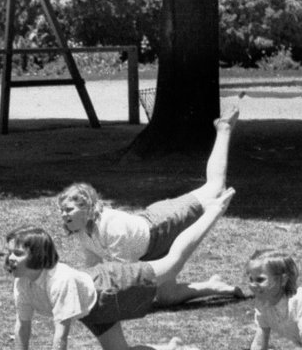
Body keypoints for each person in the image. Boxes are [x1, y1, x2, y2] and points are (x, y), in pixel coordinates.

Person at [2, 189, 234, 350]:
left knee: (172, 264)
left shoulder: (60, 282)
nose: (10, 258)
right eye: (10, 252)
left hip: (109, 286)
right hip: (89, 310)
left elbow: (61, 335)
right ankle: (173, 349)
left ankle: (213, 211)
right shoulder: (22, 281)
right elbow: (22, 326)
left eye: (18, 253)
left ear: (38, 257)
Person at [54, 103, 242, 304]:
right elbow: (93, 269)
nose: (64, 215)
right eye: (62, 211)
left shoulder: (111, 227)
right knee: (167, 298)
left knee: (215, 187)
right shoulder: (84, 233)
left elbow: (125, 277)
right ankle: (213, 286)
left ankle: (224, 129)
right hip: (146, 250)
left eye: (69, 210)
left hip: (163, 223)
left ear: (87, 209)